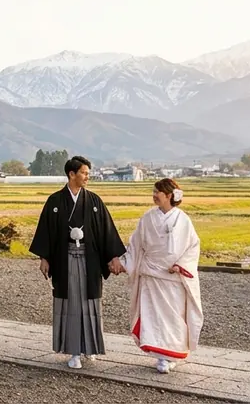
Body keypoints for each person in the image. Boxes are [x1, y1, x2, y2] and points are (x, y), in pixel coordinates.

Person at [30, 155, 127, 369]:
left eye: (88, 174)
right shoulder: (55, 201)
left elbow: (106, 231)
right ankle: (73, 351)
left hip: (89, 260)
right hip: (65, 260)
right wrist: (44, 258)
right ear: (71, 174)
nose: (87, 177)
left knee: (90, 302)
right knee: (71, 303)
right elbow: (46, 231)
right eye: (84, 173)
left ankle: (90, 348)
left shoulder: (93, 201)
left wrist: (114, 257)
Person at [120, 178, 204, 374]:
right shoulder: (147, 218)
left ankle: (172, 354)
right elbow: (136, 245)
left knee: (173, 317)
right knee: (152, 316)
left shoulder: (183, 219)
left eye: (157, 191)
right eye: (154, 191)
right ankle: (161, 356)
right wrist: (123, 263)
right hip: (150, 274)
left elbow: (193, 247)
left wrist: (181, 265)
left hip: (172, 277)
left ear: (168, 195)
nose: (154, 195)